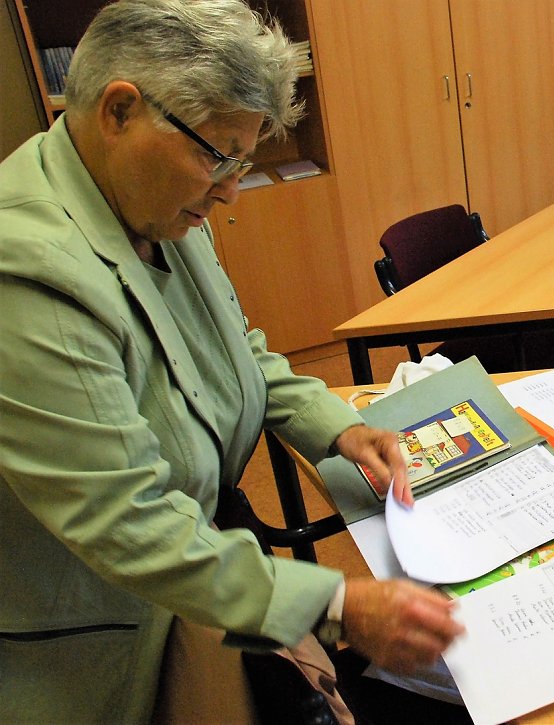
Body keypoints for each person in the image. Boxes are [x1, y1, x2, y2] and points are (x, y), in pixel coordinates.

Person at [0, 1, 464, 722]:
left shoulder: (151, 198)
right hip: (117, 635)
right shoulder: (26, 271)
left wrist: (339, 427)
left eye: (242, 160)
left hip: (206, 569)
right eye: (218, 155)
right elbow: (126, 520)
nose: (229, 188)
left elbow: (232, 348)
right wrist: (339, 602)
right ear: (119, 111)